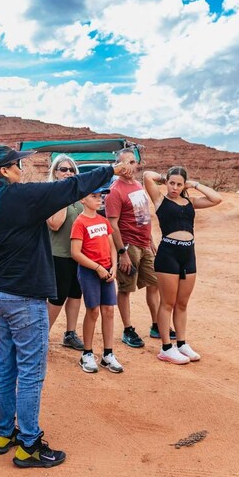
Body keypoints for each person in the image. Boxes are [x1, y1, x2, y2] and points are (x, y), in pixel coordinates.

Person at [0, 145, 129, 469]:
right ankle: (28, 445)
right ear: (3, 171)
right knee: (30, 372)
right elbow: (73, 187)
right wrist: (113, 170)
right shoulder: (23, 197)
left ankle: (3, 435)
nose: (20, 169)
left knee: (6, 366)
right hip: (23, 298)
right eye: (15, 165)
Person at [143, 167, 222, 364]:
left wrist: (193, 184)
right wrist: (165, 178)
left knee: (182, 303)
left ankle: (181, 343)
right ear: (167, 183)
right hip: (168, 254)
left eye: (179, 184)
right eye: (172, 183)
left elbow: (216, 198)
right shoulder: (160, 200)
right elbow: (147, 176)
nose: (174, 187)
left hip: (188, 254)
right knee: (167, 302)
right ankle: (166, 348)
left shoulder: (190, 202)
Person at [104, 148, 167, 348]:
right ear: (118, 166)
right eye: (125, 163)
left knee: (154, 284)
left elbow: (143, 215)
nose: (130, 167)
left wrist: (150, 239)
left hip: (144, 243)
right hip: (128, 246)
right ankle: (128, 329)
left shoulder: (139, 185)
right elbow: (112, 225)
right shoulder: (115, 191)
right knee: (125, 289)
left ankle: (157, 324)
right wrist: (122, 253)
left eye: (133, 162)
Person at [70, 183, 123, 374]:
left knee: (108, 310)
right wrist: (98, 267)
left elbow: (111, 247)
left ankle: (108, 354)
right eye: (94, 196)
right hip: (90, 272)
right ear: (83, 199)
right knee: (93, 311)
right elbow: (75, 253)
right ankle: (87, 353)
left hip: (107, 271)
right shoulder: (80, 222)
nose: (99, 199)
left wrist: (114, 266)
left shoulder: (103, 220)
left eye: (101, 196)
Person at [46, 154, 85, 350]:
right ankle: (42, 335)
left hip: (78, 254)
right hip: (58, 253)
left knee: (75, 294)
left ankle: (70, 333)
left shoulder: (78, 195)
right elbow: (55, 224)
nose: (68, 173)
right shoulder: (51, 194)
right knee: (57, 296)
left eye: (71, 170)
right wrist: (63, 195)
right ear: (55, 172)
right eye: (63, 169)